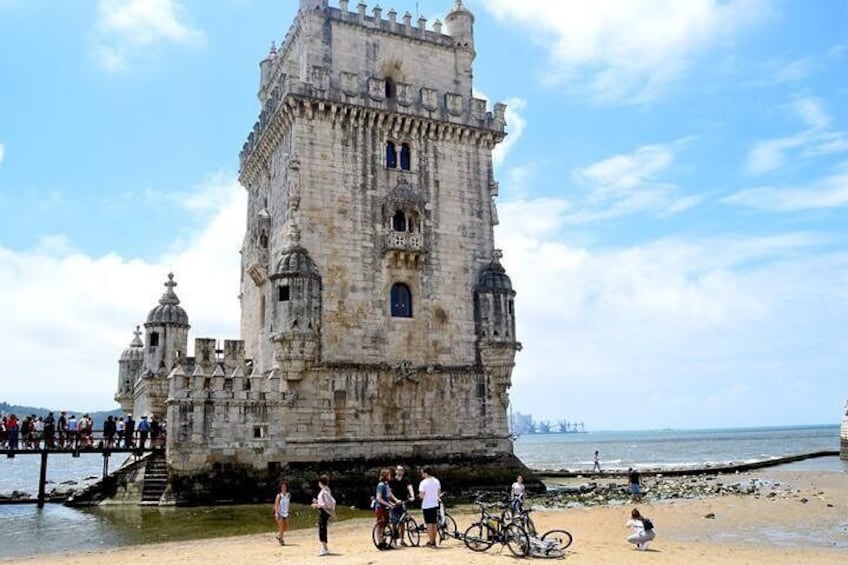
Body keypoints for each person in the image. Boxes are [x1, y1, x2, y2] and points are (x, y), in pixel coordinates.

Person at [389, 465, 415, 545]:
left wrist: (412, 496)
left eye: (402, 470)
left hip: (403, 501)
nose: (401, 472)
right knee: (394, 522)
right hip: (395, 503)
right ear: (396, 471)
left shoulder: (406, 480)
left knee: (402, 522)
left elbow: (410, 487)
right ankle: (393, 540)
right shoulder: (392, 480)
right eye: (399, 470)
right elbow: (389, 492)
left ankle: (402, 540)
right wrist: (396, 500)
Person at [311, 474, 335, 556]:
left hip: (323, 512)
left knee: (322, 529)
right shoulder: (327, 490)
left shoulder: (324, 491)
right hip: (325, 512)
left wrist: (316, 505)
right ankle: (324, 547)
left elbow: (324, 504)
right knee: (323, 528)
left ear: (320, 482)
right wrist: (317, 502)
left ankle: (325, 548)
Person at [418, 465, 441, 547]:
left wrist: (419, 497)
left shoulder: (423, 482)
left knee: (429, 524)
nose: (422, 474)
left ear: (426, 473)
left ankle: (431, 541)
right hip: (435, 503)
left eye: (422, 473)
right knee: (434, 523)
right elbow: (438, 493)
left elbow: (422, 495)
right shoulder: (436, 481)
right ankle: (434, 540)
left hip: (427, 504)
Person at [375, 468, 395, 548]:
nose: (390, 476)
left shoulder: (386, 485)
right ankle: (380, 542)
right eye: (389, 475)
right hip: (380, 507)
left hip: (386, 507)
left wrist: (393, 502)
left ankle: (383, 541)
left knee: (385, 524)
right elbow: (379, 498)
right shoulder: (381, 485)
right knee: (380, 524)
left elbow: (388, 495)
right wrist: (388, 504)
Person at [273, 480, 291, 545]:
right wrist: (276, 513)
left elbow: (288, 503)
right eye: (282, 487)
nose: (283, 488)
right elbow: (276, 505)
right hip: (280, 513)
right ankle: (281, 539)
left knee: (286, 527)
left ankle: (279, 536)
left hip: (285, 513)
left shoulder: (288, 495)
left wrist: (288, 511)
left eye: (284, 487)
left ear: (286, 487)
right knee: (281, 526)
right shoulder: (279, 496)